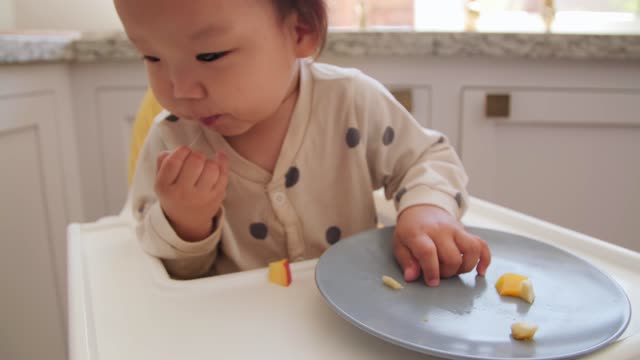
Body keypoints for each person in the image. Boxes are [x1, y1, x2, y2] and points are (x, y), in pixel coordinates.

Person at [116, 0, 491, 285]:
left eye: (210, 55)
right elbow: (170, 272)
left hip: (356, 308)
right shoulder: (172, 140)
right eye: (152, 56)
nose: (180, 89)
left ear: (300, 32)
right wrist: (184, 224)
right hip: (239, 331)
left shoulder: (350, 102)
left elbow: (427, 157)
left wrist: (427, 210)